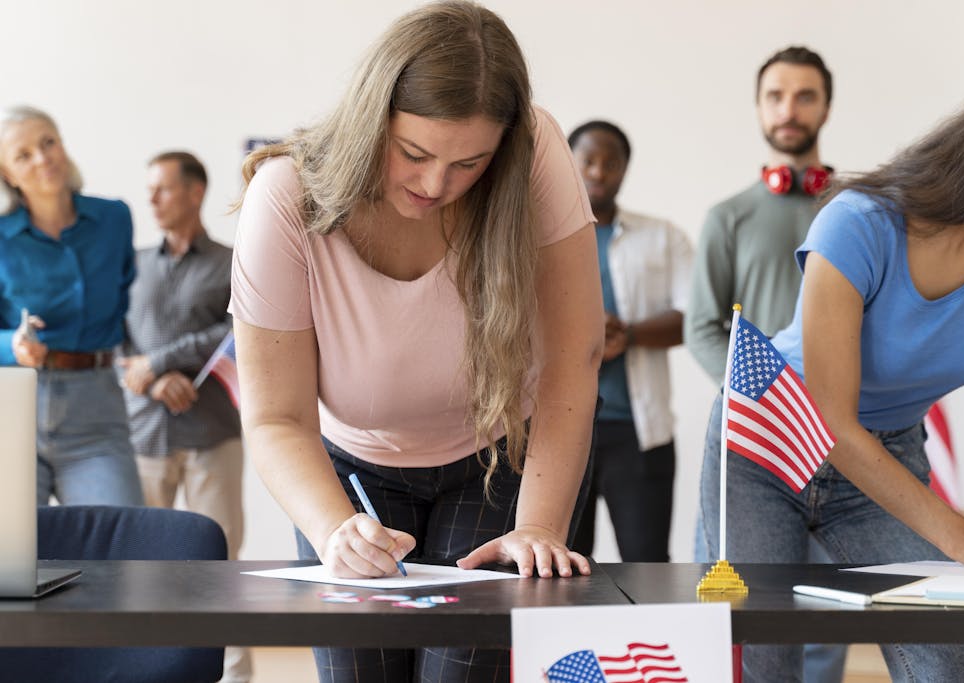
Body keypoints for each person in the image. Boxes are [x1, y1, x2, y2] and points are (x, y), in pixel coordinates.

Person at [229, 3, 603, 682]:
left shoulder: (537, 151)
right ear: (373, 120)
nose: (436, 185)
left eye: (470, 163)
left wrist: (542, 525)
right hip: (350, 475)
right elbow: (276, 417)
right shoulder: (285, 198)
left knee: (461, 669)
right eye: (415, 154)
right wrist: (332, 529)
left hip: (494, 458)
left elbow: (573, 358)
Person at [699, 65, 964, 682]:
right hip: (772, 440)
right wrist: (963, 537)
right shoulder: (859, 222)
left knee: (951, 663)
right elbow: (831, 422)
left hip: (889, 451)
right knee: (764, 659)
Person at [687, 46, 846, 682]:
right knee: (740, 608)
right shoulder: (728, 217)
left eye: (805, 95)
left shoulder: (861, 209)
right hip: (754, 441)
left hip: (839, 438)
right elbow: (703, 328)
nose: (789, 109)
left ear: (826, 106)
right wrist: (758, 401)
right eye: (776, 96)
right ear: (759, 108)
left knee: (830, 610)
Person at [120, 151, 251, 682]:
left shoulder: (232, 262)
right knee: (142, 570)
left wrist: (161, 360)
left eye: (163, 188)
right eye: (148, 188)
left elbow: (236, 333)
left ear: (195, 192)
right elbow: (114, 342)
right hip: (144, 437)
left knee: (220, 569)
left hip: (211, 438)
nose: (151, 198)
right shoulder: (130, 266)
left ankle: (234, 676)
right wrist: (153, 378)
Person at [0, 106, 143, 507]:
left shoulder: (114, 219)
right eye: (23, 155)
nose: (43, 158)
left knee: (120, 551)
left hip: (95, 410)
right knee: (9, 561)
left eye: (48, 143)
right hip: (13, 409)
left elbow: (126, 299)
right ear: (7, 175)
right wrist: (13, 344)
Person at [567, 120, 691, 562]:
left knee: (647, 564)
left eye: (611, 163)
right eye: (588, 161)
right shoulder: (535, 237)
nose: (599, 172)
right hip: (560, 431)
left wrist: (629, 334)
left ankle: (649, 637)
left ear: (625, 169)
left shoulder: (664, 237)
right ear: (568, 164)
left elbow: (694, 317)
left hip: (639, 435)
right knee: (559, 567)